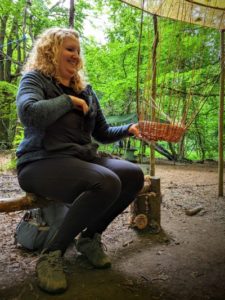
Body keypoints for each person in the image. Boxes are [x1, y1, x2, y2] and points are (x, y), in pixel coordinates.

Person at [16, 27, 144, 294]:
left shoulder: (86, 90)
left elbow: (102, 133)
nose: (76, 56)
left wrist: (128, 129)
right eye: (69, 49)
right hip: (40, 162)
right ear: (51, 51)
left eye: (77, 50)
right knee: (106, 181)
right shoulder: (34, 80)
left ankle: (89, 238)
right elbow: (29, 114)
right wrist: (67, 101)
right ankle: (51, 255)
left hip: (80, 160)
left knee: (133, 174)